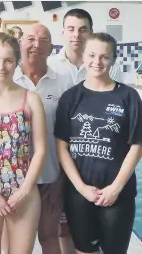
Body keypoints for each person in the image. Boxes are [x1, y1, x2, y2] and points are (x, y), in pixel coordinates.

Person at [55, 32, 142, 254]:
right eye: (92, 55)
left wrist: (115, 188)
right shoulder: (71, 97)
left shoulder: (129, 97)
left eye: (104, 57)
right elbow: (62, 146)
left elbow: (137, 145)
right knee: (84, 250)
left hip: (118, 194)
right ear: (83, 56)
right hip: (79, 192)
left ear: (112, 60)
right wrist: (81, 187)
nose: (97, 62)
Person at [47, 9, 123, 253]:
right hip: (64, 162)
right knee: (67, 228)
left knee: (103, 232)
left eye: (83, 30)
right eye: (71, 29)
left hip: (100, 165)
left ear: (90, 32)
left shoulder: (113, 70)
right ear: (63, 32)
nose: (76, 35)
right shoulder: (52, 67)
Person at [0, 32, 47, 254]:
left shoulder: (31, 99)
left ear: (16, 63)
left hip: (24, 193)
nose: (1, 66)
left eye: (8, 60)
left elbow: (40, 150)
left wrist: (22, 192)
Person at [12, 23, 74, 254]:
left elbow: (70, 131)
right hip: (14, 175)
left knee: (49, 235)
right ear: (20, 42)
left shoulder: (64, 82)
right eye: (30, 38)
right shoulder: (9, 78)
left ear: (51, 48)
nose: (36, 44)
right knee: (16, 238)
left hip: (51, 175)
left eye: (44, 40)